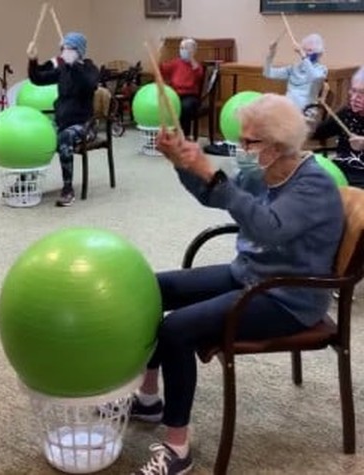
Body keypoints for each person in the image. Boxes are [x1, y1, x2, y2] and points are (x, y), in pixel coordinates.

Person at [129, 94, 343, 474]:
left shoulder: (314, 186)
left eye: (249, 141)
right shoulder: (263, 169)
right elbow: (214, 195)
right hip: (251, 274)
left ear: (277, 146)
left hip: (288, 297)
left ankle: (178, 450)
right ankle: (148, 400)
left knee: (177, 328)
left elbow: (268, 227)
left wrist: (213, 173)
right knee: (152, 288)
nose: (240, 148)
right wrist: (181, 163)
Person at [26, 32, 99, 207]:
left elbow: (89, 84)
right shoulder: (63, 69)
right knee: (36, 134)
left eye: (70, 48)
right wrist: (33, 60)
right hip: (61, 123)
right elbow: (37, 79)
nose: (65, 51)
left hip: (84, 126)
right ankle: (26, 181)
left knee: (65, 137)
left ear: (79, 50)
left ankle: (68, 189)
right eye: (64, 48)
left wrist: (74, 65)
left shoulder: (90, 69)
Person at [310, 65, 364, 187]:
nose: (354, 98)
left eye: (362, 93)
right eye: (353, 91)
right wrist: (310, 121)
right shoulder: (346, 113)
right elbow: (317, 133)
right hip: (340, 172)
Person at [264, 33, 328, 114]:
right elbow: (268, 73)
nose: (305, 53)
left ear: (319, 53)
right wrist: (271, 53)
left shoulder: (321, 70)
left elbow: (314, 78)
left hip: (306, 112)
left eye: (310, 50)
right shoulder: (294, 68)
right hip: (287, 110)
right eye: (304, 49)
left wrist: (302, 55)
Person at [161, 38, 205, 135]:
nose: (182, 50)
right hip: (175, 94)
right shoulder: (176, 62)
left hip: (190, 96)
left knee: (185, 107)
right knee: (164, 103)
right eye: (181, 48)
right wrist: (160, 53)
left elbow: (199, 75)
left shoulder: (196, 65)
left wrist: (191, 59)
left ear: (193, 51)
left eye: (185, 48)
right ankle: (168, 133)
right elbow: (162, 69)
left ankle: (184, 134)